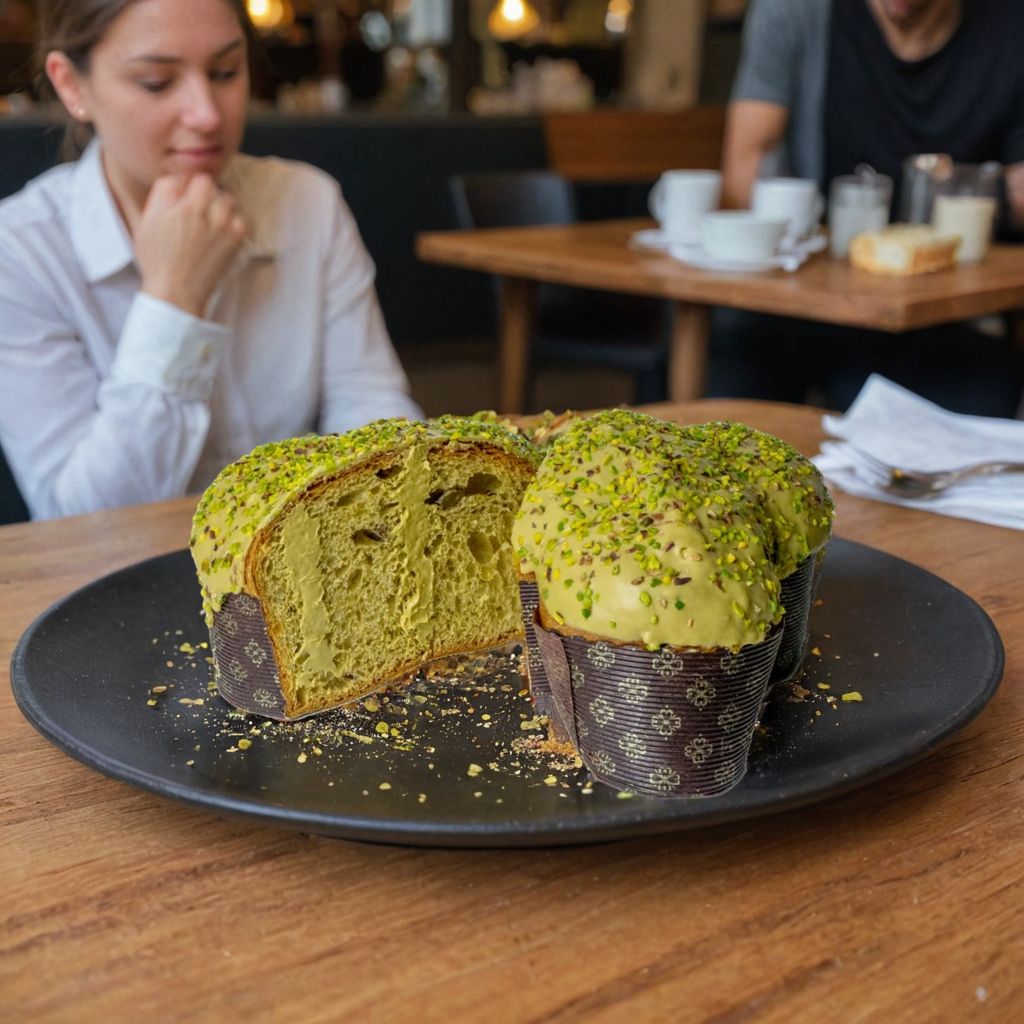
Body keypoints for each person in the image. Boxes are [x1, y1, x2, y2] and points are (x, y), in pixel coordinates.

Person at [0, 0, 423, 521]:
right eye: (157, 81)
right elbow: (84, 520)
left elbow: (375, 420)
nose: (206, 114)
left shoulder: (308, 202)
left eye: (226, 72)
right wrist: (175, 297)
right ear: (71, 86)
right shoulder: (21, 249)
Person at [709, 0, 1024, 416]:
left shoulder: (1010, 26)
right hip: (801, 299)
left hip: (948, 314)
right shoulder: (796, 12)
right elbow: (747, 166)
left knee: (964, 435)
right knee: (736, 396)